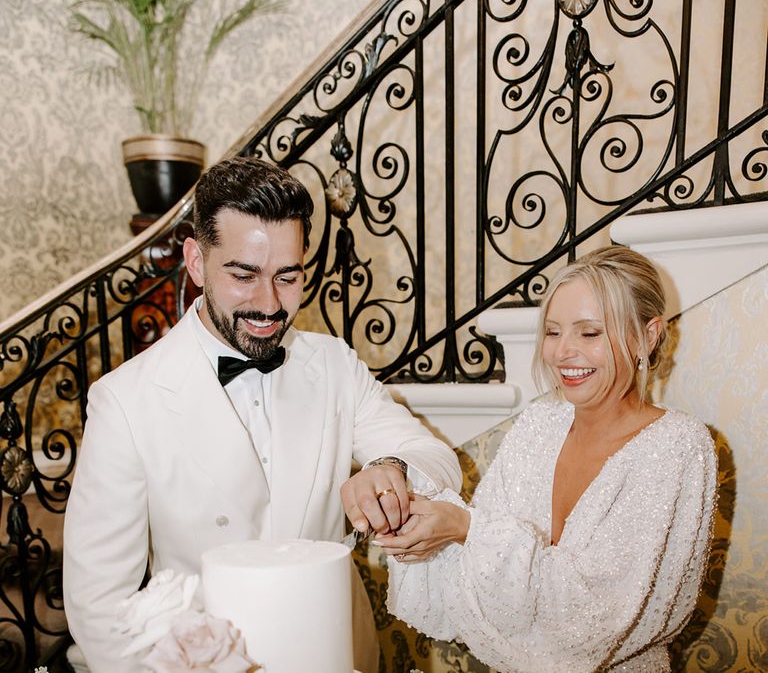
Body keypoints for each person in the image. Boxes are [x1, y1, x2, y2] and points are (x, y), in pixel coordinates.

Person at [63, 157, 461, 673]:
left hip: (336, 652)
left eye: (287, 277)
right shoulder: (124, 400)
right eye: (244, 274)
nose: (269, 303)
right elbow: (100, 606)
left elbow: (438, 459)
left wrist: (392, 468)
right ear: (197, 261)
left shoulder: (334, 364)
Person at [378, 246, 717, 672]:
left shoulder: (678, 447)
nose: (561, 352)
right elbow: (483, 568)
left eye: (589, 333)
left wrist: (464, 526)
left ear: (646, 336)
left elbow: (595, 619)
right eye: (553, 332)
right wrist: (423, 522)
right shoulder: (539, 425)